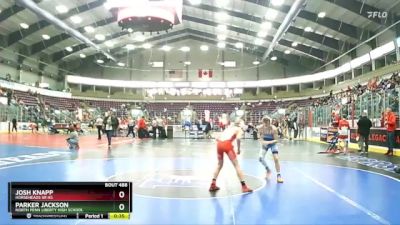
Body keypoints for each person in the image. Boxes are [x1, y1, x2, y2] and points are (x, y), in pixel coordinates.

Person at [209, 119, 253, 193]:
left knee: (219, 165)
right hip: (227, 145)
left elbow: (217, 138)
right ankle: (244, 186)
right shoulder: (239, 129)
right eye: (243, 123)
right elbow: (238, 139)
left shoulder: (228, 128)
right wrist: (238, 149)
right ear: (240, 124)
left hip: (219, 144)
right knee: (236, 165)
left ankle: (213, 184)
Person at [258, 116, 284, 183]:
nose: (266, 125)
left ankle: (279, 175)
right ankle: (268, 170)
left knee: (276, 158)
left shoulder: (274, 129)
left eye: (268, 123)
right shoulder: (260, 128)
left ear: (270, 122)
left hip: (272, 143)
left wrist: (268, 142)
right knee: (260, 158)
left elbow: (276, 140)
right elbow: (260, 138)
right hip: (265, 143)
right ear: (263, 123)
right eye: (265, 123)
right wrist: (263, 142)